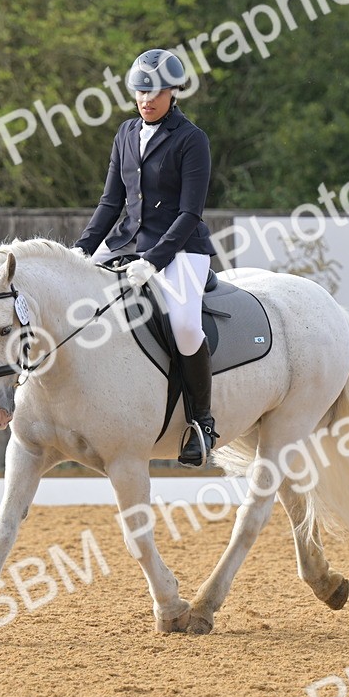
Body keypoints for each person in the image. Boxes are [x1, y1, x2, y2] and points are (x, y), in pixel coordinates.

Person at [73, 48, 218, 466]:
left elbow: (191, 212)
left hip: (182, 249)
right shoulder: (125, 133)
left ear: (174, 93)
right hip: (126, 242)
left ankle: (200, 423)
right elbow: (109, 202)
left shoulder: (192, 140)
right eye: (140, 91)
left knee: (187, 327)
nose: (146, 100)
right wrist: (81, 251)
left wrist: (154, 259)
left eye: (155, 92)